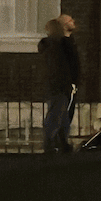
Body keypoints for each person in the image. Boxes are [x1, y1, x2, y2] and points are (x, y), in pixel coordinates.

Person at [39, 14, 79, 153]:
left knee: (63, 117)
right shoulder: (57, 45)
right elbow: (61, 67)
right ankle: (52, 143)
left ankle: (61, 143)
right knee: (56, 115)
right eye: (69, 20)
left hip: (62, 86)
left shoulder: (59, 44)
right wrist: (68, 82)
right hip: (60, 86)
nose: (73, 22)